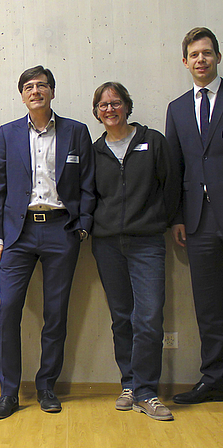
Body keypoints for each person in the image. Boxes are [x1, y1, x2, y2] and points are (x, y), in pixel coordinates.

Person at [0, 66, 95, 419]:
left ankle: (47, 385)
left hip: (62, 230)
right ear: (22, 95)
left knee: (55, 312)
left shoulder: (76, 132)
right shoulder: (8, 133)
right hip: (18, 232)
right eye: (29, 87)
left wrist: (83, 225)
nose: (36, 91)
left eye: (42, 85)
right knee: (9, 311)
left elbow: (88, 183)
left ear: (52, 91)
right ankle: (9, 392)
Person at [91, 82, 180, 420]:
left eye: (115, 103)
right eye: (103, 105)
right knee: (122, 318)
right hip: (107, 244)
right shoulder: (96, 150)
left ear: (127, 106)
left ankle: (146, 391)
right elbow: (91, 194)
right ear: (97, 112)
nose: (110, 109)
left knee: (149, 317)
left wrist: (160, 220)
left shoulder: (152, 141)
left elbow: (170, 186)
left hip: (148, 242)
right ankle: (128, 384)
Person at [166, 27, 223, 405]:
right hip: (199, 221)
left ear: (217, 57)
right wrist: (177, 217)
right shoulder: (178, 108)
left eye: (207, 52)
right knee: (209, 306)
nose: (201, 59)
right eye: (194, 55)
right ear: (185, 62)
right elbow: (175, 168)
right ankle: (214, 379)